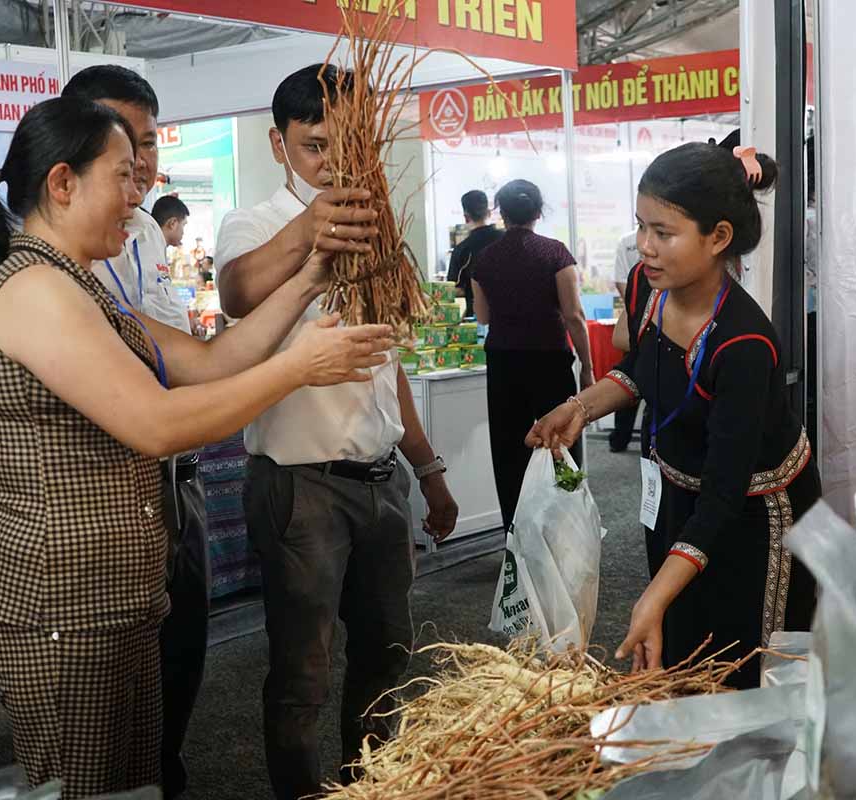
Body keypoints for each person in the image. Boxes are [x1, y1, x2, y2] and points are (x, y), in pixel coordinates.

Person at [0, 96, 393, 798]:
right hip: (62, 604)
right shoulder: (35, 288)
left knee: (132, 782)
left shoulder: (81, 285)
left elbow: (209, 360)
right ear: (62, 183)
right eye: (125, 177)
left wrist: (311, 277)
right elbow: (156, 424)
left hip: (113, 595)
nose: (137, 201)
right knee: (86, 786)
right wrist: (296, 368)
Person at [214, 63, 459, 800]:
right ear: (277, 143)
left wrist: (430, 470)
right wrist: (310, 231)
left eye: (347, 144)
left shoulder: (376, 228)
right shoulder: (255, 223)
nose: (334, 161)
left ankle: (369, 784)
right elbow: (236, 289)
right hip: (301, 488)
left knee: (389, 651)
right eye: (316, 145)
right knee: (304, 672)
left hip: (381, 482)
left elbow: (390, 370)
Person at [527, 142, 820, 689]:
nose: (645, 247)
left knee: (741, 670)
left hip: (755, 516)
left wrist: (652, 597)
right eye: (641, 227)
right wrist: (580, 407)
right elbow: (640, 368)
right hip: (674, 490)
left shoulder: (744, 344)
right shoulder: (647, 288)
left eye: (664, 233)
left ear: (719, 238)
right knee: (680, 650)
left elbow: (724, 496)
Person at [61, 65, 203, 798]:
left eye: (148, 143)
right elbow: (148, 405)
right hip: (93, 501)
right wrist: (290, 367)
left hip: (169, 478)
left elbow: (176, 349)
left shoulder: (141, 229)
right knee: (88, 724)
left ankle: (163, 773)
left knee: (172, 653)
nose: (142, 164)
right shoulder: (40, 275)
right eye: (125, 149)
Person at [471, 179, 593, 531]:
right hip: (549, 357)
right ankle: (566, 525)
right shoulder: (555, 253)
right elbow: (574, 315)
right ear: (539, 212)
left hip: (503, 360)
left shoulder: (485, 258)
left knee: (509, 449)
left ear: (501, 212)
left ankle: (515, 532)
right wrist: (587, 367)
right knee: (560, 442)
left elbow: (483, 317)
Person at [609, 228, 642, 452]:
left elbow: (622, 282)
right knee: (628, 379)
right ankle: (620, 438)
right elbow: (623, 280)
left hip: (637, 316)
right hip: (635, 323)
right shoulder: (628, 241)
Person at [445, 189, 503, 319]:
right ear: (488, 213)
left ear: (466, 217)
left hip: (479, 320)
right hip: (512, 316)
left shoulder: (462, 249)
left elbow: (455, 289)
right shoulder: (507, 239)